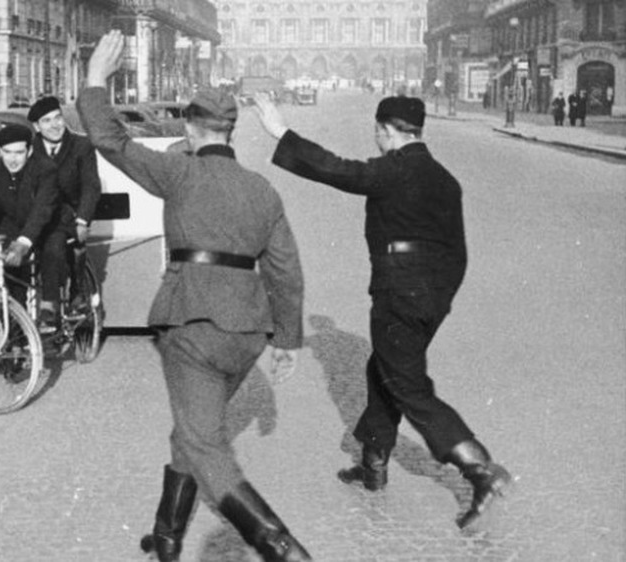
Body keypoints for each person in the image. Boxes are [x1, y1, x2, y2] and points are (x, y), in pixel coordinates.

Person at [78, 31, 311, 562]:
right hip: (247, 333)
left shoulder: (178, 170)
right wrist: (288, 341)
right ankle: (165, 536)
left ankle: (280, 546)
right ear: (230, 131)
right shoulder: (262, 189)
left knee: (204, 443)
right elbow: (286, 271)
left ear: (189, 126)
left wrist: (96, 79)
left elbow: (110, 139)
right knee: (192, 430)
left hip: (190, 324)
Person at [252, 92, 513, 531]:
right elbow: (458, 254)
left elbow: (335, 169)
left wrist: (280, 131)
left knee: (408, 385)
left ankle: (480, 469)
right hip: (433, 297)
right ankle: (374, 462)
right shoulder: (446, 180)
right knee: (384, 370)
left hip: (397, 294)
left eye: (377, 132)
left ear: (386, 131)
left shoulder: (392, 170)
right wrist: (438, 299)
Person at [0, 124, 61, 328]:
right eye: (7, 152)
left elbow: (42, 209)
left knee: (52, 250)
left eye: (19, 152)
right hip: (13, 225)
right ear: (0, 152)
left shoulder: (45, 169)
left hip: (46, 225)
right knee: (9, 282)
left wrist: (24, 242)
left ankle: (49, 305)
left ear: (30, 151)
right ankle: (15, 339)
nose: (13, 159)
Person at [26, 95, 102, 320]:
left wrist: (83, 220)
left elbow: (91, 187)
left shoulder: (82, 146)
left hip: (70, 216)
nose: (55, 125)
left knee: (54, 247)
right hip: (38, 216)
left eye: (58, 118)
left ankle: (69, 296)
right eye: (47, 121)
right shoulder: (30, 150)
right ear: (36, 126)